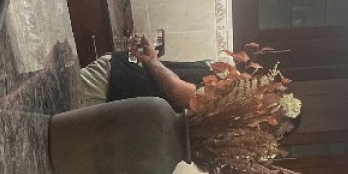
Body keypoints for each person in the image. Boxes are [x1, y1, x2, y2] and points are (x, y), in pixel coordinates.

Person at [80, 35, 303, 131]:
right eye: (277, 95)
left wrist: (152, 60)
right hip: (116, 81)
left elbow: (179, 92)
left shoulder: (230, 106)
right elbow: (181, 89)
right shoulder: (234, 85)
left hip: (113, 87)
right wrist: (151, 60)